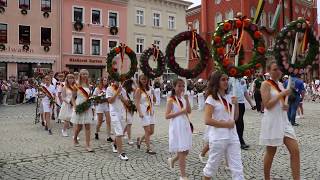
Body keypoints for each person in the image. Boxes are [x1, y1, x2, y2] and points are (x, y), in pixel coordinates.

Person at [259, 61, 300, 180]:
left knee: (295, 150)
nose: (277, 72)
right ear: (269, 71)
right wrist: (281, 94)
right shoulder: (266, 84)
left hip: (284, 121)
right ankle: (267, 178)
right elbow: (267, 104)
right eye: (274, 69)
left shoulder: (281, 85)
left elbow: (280, 104)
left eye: (279, 69)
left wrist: (285, 106)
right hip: (272, 122)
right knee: (271, 151)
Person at [203, 71, 244, 180]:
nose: (226, 82)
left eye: (227, 79)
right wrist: (226, 124)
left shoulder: (229, 97)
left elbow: (235, 118)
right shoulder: (211, 98)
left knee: (237, 167)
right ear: (216, 81)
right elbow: (207, 120)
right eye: (223, 79)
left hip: (232, 136)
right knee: (211, 167)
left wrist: (236, 105)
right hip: (218, 137)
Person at [165, 79, 192, 180]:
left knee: (185, 152)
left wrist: (187, 99)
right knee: (182, 152)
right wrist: (181, 112)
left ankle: (172, 160)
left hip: (185, 125)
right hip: (177, 126)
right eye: (179, 86)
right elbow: (167, 116)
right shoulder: (171, 99)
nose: (181, 88)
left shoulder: (183, 98)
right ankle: (183, 175)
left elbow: (188, 111)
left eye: (182, 86)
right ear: (174, 87)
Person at [70, 69, 94, 152]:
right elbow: (73, 97)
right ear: (80, 75)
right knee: (79, 127)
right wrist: (75, 106)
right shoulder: (76, 85)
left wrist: (92, 102)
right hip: (79, 105)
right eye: (83, 74)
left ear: (88, 75)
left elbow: (90, 97)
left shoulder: (89, 86)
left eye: (86, 74)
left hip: (87, 107)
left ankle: (88, 145)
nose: (84, 75)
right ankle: (75, 137)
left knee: (87, 126)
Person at [228, 77, 255, 150]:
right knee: (235, 122)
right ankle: (237, 141)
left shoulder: (243, 80)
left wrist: (251, 104)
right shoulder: (231, 79)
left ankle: (240, 139)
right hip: (232, 103)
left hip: (241, 103)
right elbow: (227, 91)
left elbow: (245, 93)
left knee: (240, 122)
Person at [106, 80, 129, 161]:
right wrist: (117, 93)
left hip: (121, 113)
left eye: (120, 81)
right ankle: (121, 153)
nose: (118, 82)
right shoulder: (109, 89)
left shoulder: (123, 90)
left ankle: (115, 144)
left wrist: (122, 97)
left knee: (121, 132)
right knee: (119, 132)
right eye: (117, 80)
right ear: (113, 80)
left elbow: (127, 102)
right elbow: (110, 101)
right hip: (114, 113)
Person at [135, 75, 157, 155]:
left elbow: (154, 100)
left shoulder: (150, 88)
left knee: (151, 131)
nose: (144, 80)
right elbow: (137, 102)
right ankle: (148, 149)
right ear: (139, 80)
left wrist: (153, 94)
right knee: (147, 131)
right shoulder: (138, 90)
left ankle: (140, 140)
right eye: (142, 79)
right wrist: (140, 112)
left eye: (145, 79)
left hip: (151, 111)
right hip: (144, 112)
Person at [93, 77, 113, 142]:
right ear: (101, 81)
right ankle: (96, 132)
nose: (105, 81)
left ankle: (108, 136)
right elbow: (94, 98)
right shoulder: (97, 89)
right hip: (99, 106)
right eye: (104, 80)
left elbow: (110, 96)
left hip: (106, 105)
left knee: (108, 121)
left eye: (106, 80)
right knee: (100, 121)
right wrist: (99, 99)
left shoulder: (108, 88)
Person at [122, 79, 136, 145]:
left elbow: (137, 89)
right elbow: (123, 100)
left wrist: (134, 82)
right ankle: (129, 139)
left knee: (128, 123)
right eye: (132, 83)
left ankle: (122, 133)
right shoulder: (123, 90)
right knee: (129, 123)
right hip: (126, 107)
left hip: (131, 107)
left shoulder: (132, 89)